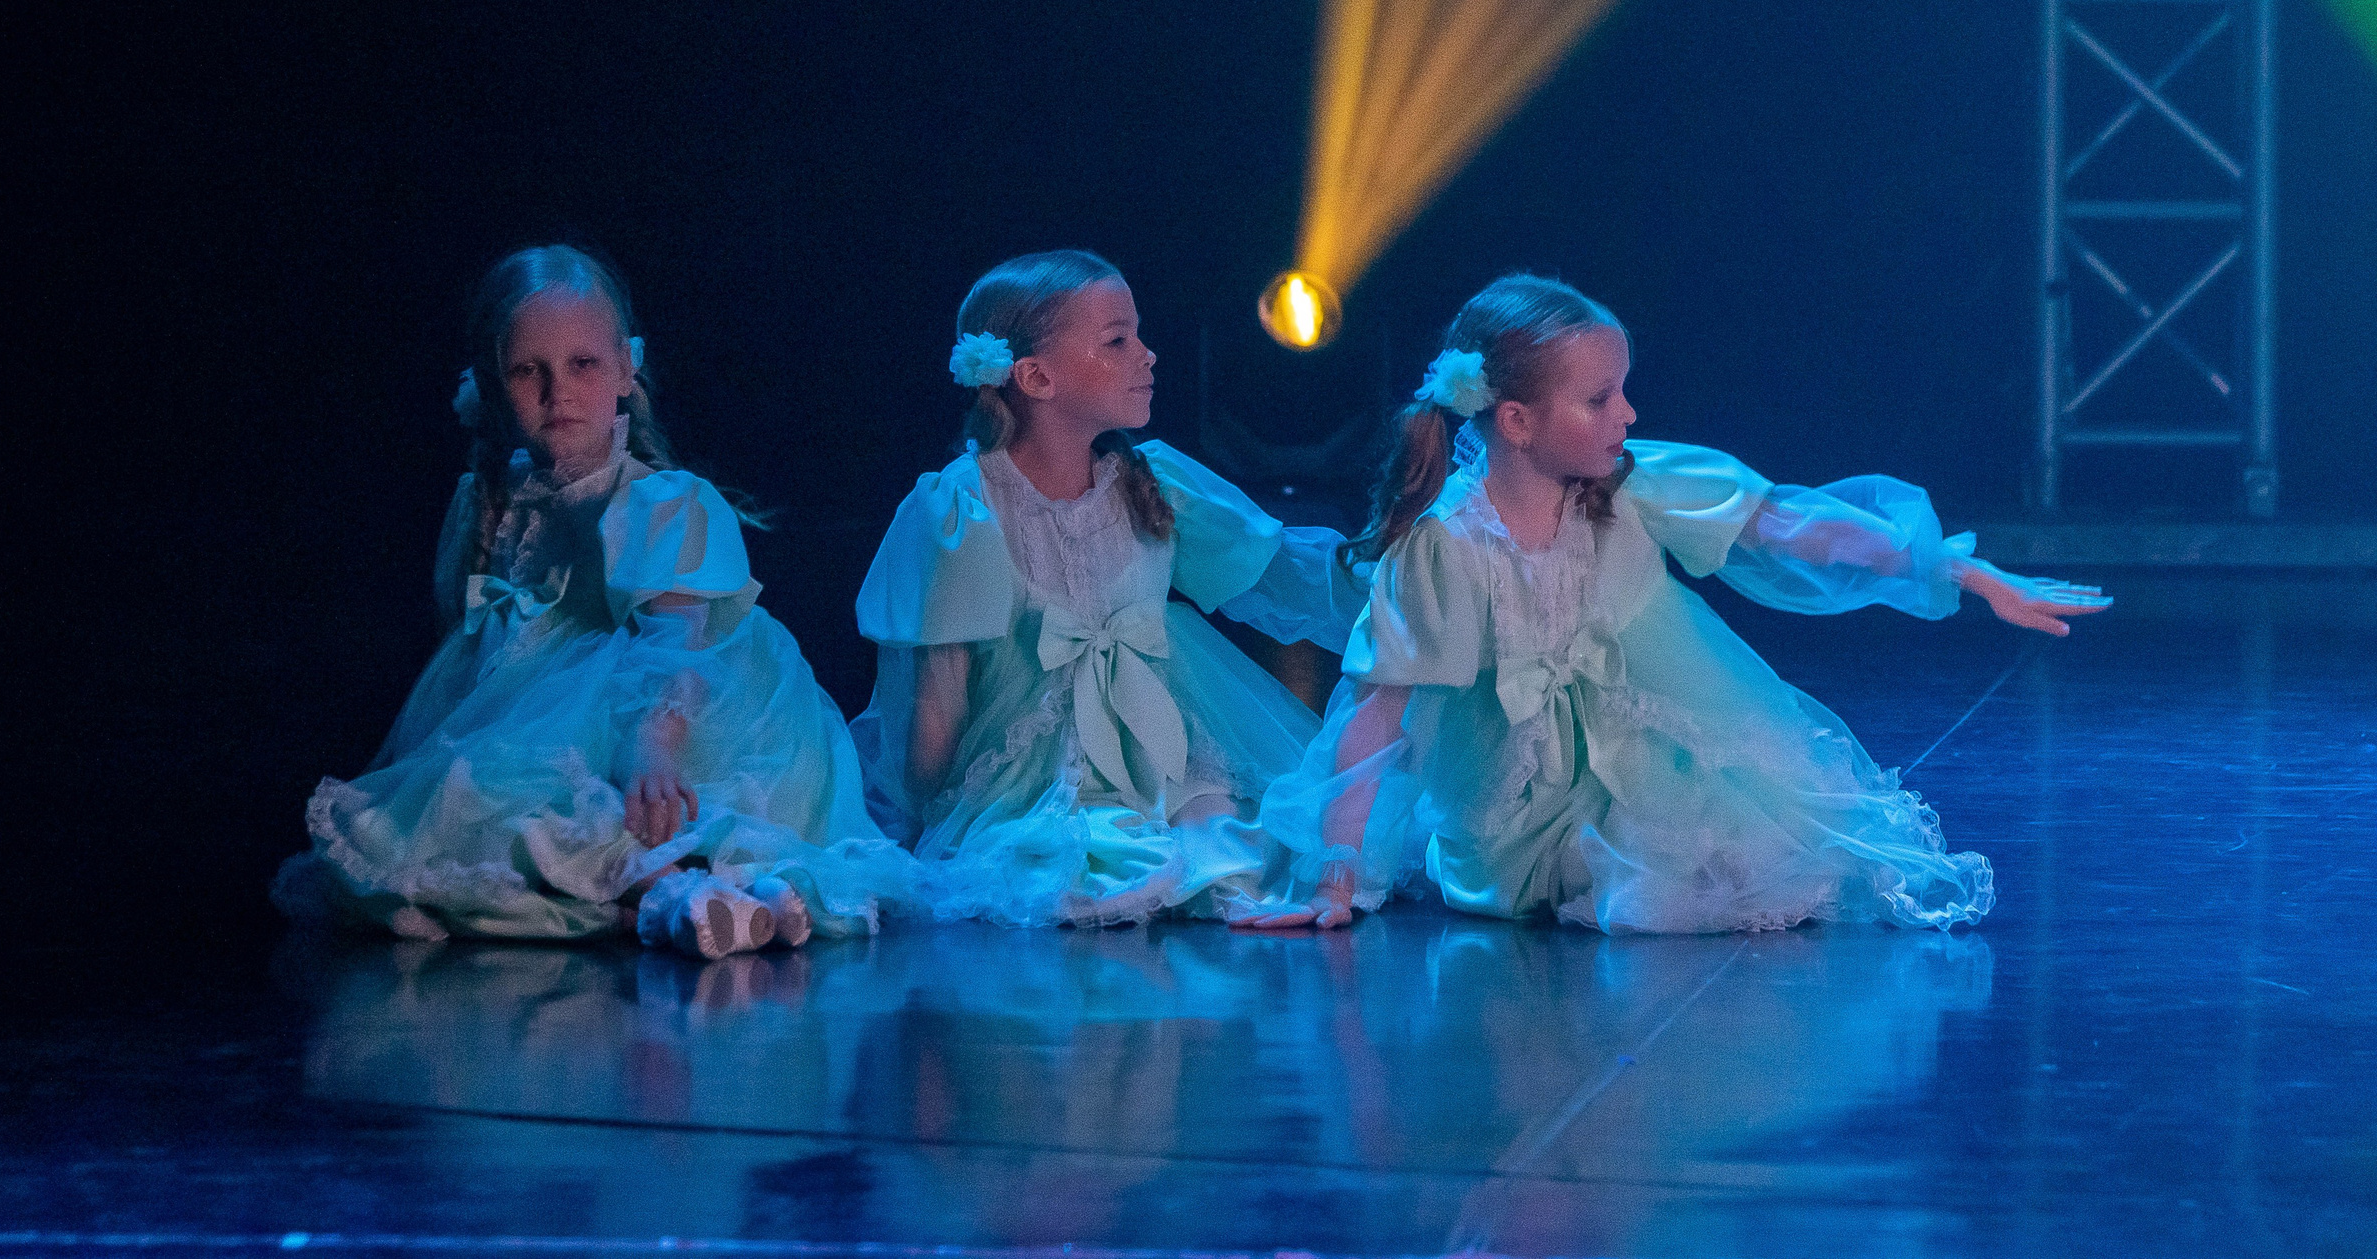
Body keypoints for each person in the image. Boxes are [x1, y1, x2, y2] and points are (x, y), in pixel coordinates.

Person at [1242, 273, 2107, 934]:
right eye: (1598, 399)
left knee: (1748, 853)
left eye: (1621, 389)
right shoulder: (1447, 548)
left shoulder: (1629, 484)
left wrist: (1956, 569)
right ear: (1515, 421)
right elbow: (1376, 710)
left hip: (1642, 738)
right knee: (1642, 888)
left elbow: (1786, 524)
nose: (1627, 412)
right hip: (1517, 805)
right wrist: (1336, 874)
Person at [274, 245, 909, 956]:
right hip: (539, 709)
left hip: (669, 706)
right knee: (477, 796)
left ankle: (710, 886)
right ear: (493, 384)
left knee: (618, 793)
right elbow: (468, 637)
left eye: (583, 364)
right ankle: (682, 898)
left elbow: (679, 638)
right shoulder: (485, 503)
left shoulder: (659, 500)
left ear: (625, 369)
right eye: (529, 371)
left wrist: (653, 744)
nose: (559, 392)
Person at [854, 250, 1367, 926]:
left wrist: (1399, 574)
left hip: (1164, 757)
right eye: (1117, 340)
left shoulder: (1151, 482)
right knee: (1052, 868)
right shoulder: (963, 509)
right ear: (1036, 376)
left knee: (1237, 851)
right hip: (1026, 781)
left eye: (1138, 335)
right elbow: (936, 705)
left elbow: (1284, 573)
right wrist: (931, 816)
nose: (1147, 355)